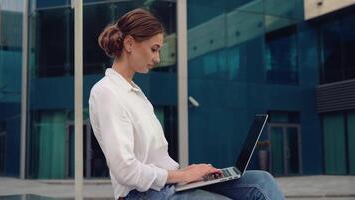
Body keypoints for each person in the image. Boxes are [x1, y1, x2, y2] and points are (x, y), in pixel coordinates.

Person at [89, 8, 285, 200]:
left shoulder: (136, 94)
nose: (157, 59)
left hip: (168, 183)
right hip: (140, 193)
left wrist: (188, 173)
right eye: (153, 49)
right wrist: (182, 176)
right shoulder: (107, 92)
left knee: (262, 181)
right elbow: (125, 170)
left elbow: (155, 161)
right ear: (130, 43)